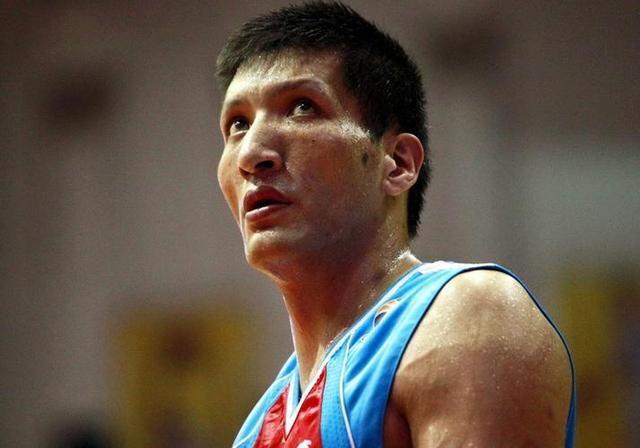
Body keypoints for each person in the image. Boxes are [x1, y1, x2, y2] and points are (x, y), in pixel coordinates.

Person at [215, 2, 575, 447]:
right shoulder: (256, 430)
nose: (251, 154)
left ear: (398, 163)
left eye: (303, 107)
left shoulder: (468, 315)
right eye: (237, 124)